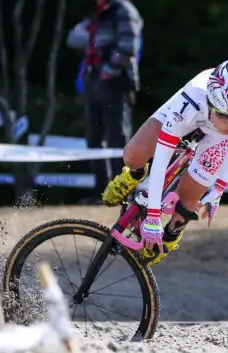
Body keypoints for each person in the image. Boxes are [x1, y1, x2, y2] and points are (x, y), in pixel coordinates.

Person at [101, 58, 228, 266]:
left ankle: (172, 234)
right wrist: (152, 216)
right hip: (191, 115)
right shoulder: (190, 100)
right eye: (222, 115)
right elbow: (161, 155)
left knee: (191, 196)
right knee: (134, 154)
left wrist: (219, 188)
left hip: (216, 139)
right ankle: (133, 173)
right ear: (211, 103)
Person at [66, 0, 144, 204]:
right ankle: (100, 192)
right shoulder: (96, 14)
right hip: (94, 80)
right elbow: (73, 39)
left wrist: (108, 72)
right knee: (94, 137)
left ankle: (124, 192)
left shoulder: (124, 10)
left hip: (116, 82)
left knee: (118, 138)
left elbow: (128, 47)